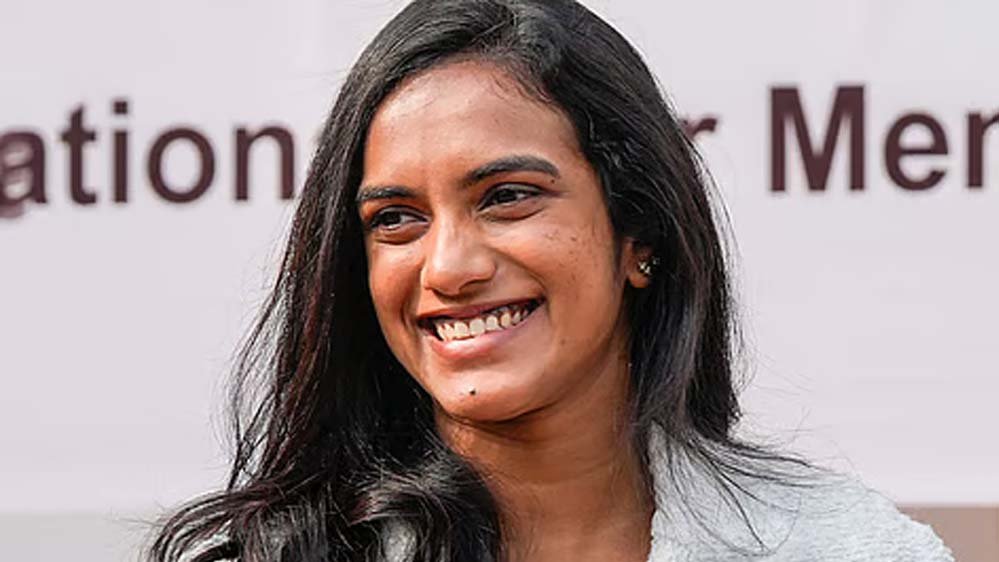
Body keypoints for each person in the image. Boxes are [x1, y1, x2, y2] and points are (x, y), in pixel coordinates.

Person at [149, 1, 952, 561]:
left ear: (639, 235)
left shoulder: (840, 547)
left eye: (506, 197)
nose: (449, 267)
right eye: (396, 218)